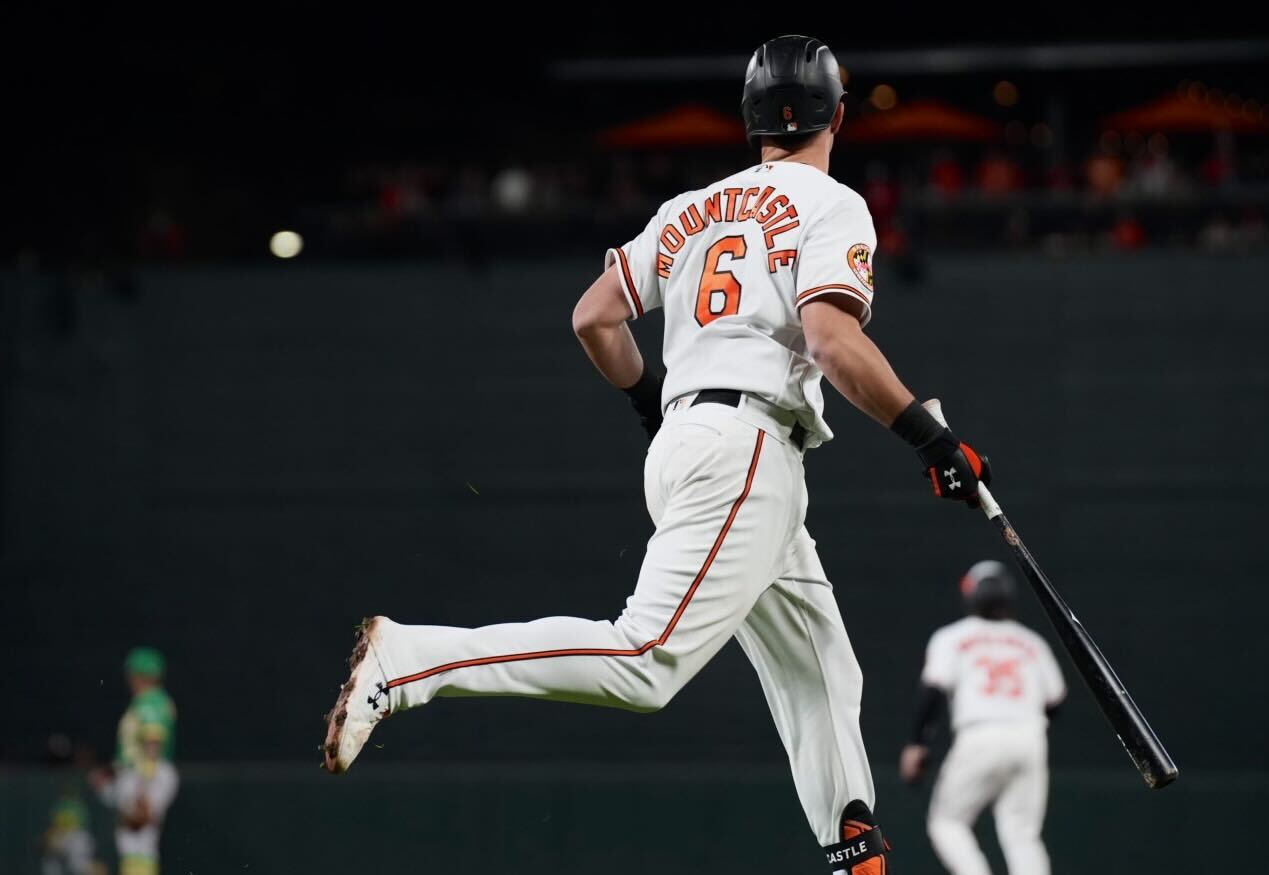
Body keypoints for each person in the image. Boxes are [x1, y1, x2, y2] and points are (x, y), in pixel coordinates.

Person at [322, 35, 990, 875]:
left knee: (822, 668)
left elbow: (594, 318)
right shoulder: (833, 204)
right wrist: (931, 440)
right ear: (839, 115)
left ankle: (853, 849)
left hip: (695, 444)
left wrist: (653, 402)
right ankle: (414, 660)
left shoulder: (688, 208)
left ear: (751, 121)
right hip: (747, 449)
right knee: (645, 661)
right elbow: (830, 339)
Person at [899, 561, 1066, 875]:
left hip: (979, 735)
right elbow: (1055, 701)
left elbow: (933, 690)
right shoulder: (1032, 643)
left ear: (971, 595)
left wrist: (917, 743)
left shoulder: (952, 637)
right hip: (1029, 735)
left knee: (947, 821)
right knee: (1022, 835)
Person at [92, 722, 179, 875]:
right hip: (126, 828)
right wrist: (103, 788)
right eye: (148, 742)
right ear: (141, 743)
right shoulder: (128, 768)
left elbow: (158, 805)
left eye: (156, 743)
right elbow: (114, 796)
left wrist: (145, 804)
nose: (152, 747)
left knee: (146, 855)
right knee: (129, 856)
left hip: (149, 828)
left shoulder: (166, 772)